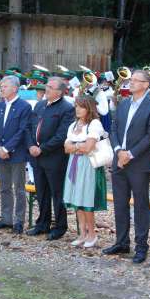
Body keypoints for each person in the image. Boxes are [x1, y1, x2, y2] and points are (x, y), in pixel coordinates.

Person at [102, 69, 150, 264]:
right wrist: (119, 150)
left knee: (141, 205)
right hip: (120, 159)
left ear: (146, 84)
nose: (131, 83)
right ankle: (121, 242)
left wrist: (131, 154)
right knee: (120, 203)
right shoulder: (124, 103)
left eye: (136, 80)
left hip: (139, 162)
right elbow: (114, 128)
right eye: (131, 80)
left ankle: (141, 246)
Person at [26, 77, 75, 240]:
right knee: (42, 192)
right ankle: (42, 224)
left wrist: (42, 149)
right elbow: (29, 127)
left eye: (50, 87)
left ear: (60, 91)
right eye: (46, 85)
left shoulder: (67, 108)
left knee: (57, 193)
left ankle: (60, 226)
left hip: (55, 158)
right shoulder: (40, 105)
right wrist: (31, 145)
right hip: (36, 157)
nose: (46, 88)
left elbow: (62, 135)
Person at [63, 96, 108, 248]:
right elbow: (65, 148)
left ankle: (92, 234)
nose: (77, 109)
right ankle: (82, 234)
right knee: (77, 200)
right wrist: (79, 146)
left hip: (89, 165)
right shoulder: (73, 125)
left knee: (86, 200)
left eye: (81, 106)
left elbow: (89, 147)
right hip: (74, 164)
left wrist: (75, 146)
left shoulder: (94, 124)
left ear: (89, 108)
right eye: (76, 106)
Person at [0, 75, 32, 234]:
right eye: (1, 87)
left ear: (15, 88)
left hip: (17, 154)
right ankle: (6, 218)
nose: (1, 89)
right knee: (4, 187)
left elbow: (22, 131)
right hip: (0, 153)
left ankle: (19, 221)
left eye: (4, 86)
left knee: (19, 189)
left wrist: (7, 149)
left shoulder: (24, 106)